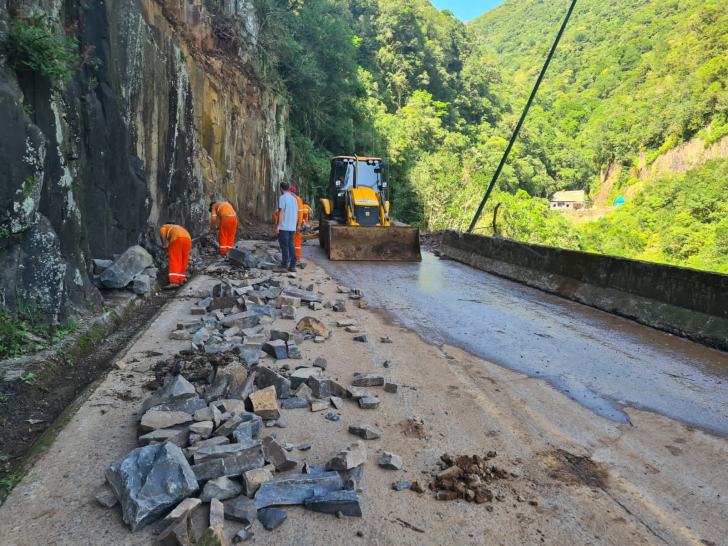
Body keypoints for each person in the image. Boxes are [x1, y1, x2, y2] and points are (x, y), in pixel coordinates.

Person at [274, 182, 299, 275]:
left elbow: (281, 212)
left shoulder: (282, 198)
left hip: (284, 227)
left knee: (284, 247)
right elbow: (296, 213)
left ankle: (284, 266)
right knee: (291, 245)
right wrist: (295, 225)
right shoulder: (294, 199)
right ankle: (293, 265)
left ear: (281, 188)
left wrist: (278, 226)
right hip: (292, 227)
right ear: (288, 188)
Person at [159, 223, 192, 289]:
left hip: (177, 239)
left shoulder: (164, 226)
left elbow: (162, 234)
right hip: (188, 240)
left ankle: (174, 281)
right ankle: (181, 280)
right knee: (183, 260)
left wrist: (164, 245)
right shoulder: (179, 227)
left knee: (175, 260)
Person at [289, 186, 305, 262]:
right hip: (292, 224)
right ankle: (291, 255)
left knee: (297, 240)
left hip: (296, 224)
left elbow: (300, 213)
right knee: (291, 240)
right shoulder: (293, 200)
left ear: (292, 192)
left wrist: (299, 224)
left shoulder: (298, 200)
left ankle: (297, 257)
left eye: (289, 193)